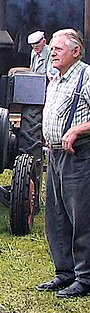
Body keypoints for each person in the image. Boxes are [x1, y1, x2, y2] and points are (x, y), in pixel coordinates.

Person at [37, 29, 90, 298]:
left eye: (58, 48)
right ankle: (65, 272)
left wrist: (78, 129)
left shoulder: (87, 77)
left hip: (80, 154)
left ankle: (85, 277)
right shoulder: (56, 78)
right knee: (56, 216)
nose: (53, 52)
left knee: (81, 216)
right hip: (55, 154)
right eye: (53, 49)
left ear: (76, 51)